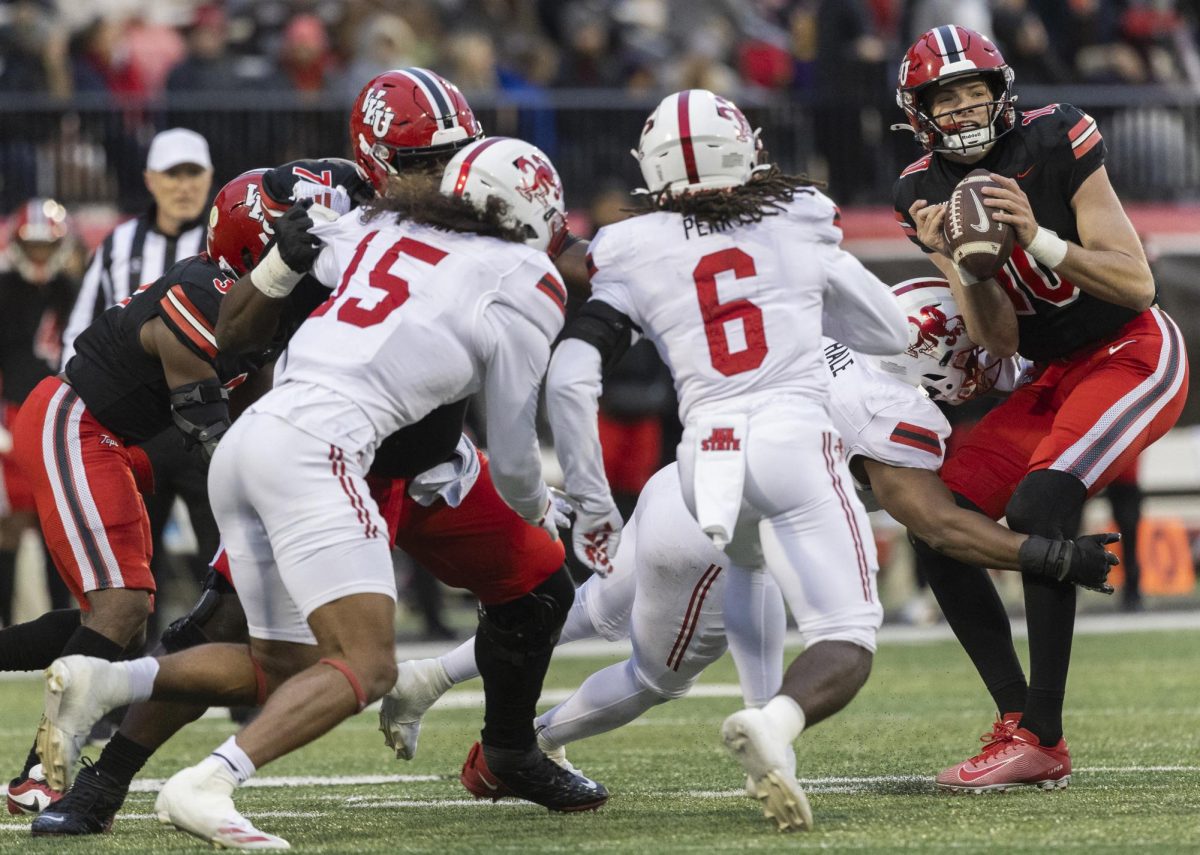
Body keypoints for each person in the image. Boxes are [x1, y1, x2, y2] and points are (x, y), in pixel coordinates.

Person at [35, 135, 600, 850]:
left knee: (539, 587)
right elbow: (233, 334)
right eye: (419, 154)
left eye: (444, 151)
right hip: (334, 462)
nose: (429, 168)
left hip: (426, 459)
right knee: (243, 631)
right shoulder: (339, 219)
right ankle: (104, 785)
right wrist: (281, 259)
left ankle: (509, 751)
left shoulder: (382, 217)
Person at [382, 282, 1119, 788]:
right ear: (935, 353)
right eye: (975, 359)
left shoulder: (833, 350)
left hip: (688, 476)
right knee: (655, 675)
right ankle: (516, 751)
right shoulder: (902, 412)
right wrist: (1046, 553)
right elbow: (931, 522)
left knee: (600, 608)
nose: (986, 374)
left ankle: (434, 674)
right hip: (729, 524)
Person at [543, 88, 909, 832]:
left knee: (737, 571)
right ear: (745, 150)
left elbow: (576, 358)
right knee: (847, 629)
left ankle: (529, 722)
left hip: (704, 456)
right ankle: (776, 717)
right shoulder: (799, 211)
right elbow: (891, 330)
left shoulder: (629, 244)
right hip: (792, 435)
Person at [892, 25, 1188, 793]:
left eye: (972, 90)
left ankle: (1043, 737)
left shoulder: (1058, 137)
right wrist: (965, 264)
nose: (961, 107)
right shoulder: (919, 190)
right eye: (943, 96)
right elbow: (998, 343)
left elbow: (1135, 285)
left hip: (1131, 350)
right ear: (917, 111)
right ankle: (1017, 720)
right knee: (938, 519)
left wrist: (1039, 238)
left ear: (1002, 92)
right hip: (1048, 369)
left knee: (1039, 504)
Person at [0, 170, 284, 811]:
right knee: (122, 609)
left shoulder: (262, 306)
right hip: (78, 422)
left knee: (122, 623)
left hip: (124, 439)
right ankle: (41, 770)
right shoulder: (205, 289)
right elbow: (209, 421)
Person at [60, 128, 220, 640]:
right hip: (135, 426)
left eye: (192, 173)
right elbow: (78, 328)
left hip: (207, 423)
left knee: (223, 555)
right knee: (130, 566)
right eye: (172, 174)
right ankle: (122, 689)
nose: (183, 185)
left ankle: (237, 689)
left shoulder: (226, 237)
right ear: (150, 179)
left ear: (210, 178)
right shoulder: (118, 243)